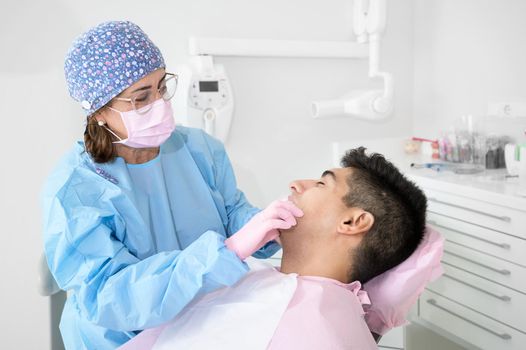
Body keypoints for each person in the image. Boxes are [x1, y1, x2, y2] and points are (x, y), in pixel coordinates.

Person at [41, 21, 303, 350]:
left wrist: (269, 225)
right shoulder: (76, 191)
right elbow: (111, 297)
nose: (160, 103)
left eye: (162, 87)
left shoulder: (199, 150)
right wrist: (228, 252)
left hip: (202, 324)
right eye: (141, 97)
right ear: (99, 112)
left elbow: (231, 212)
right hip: (124, 340)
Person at [119, 148, 444, 350]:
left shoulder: (317, 326)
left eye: (321, 184)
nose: (295, 184)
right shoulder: (256, 280)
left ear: (353, 222)